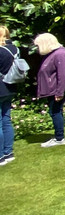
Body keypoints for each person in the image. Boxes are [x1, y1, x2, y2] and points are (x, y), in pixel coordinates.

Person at [34, 33, 65, 147]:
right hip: (53, 88)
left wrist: (59, 92)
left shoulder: (59, 54)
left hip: (56, 89)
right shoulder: (54, 53)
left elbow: (63, 74)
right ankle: (58, 137)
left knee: (55, 111)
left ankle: (59, 138)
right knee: (55, 111)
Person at [0, 26, 16, 166]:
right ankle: (8, 152)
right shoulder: (14, 49)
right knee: (6, 120)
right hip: (9, 87)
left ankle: (0, 156)